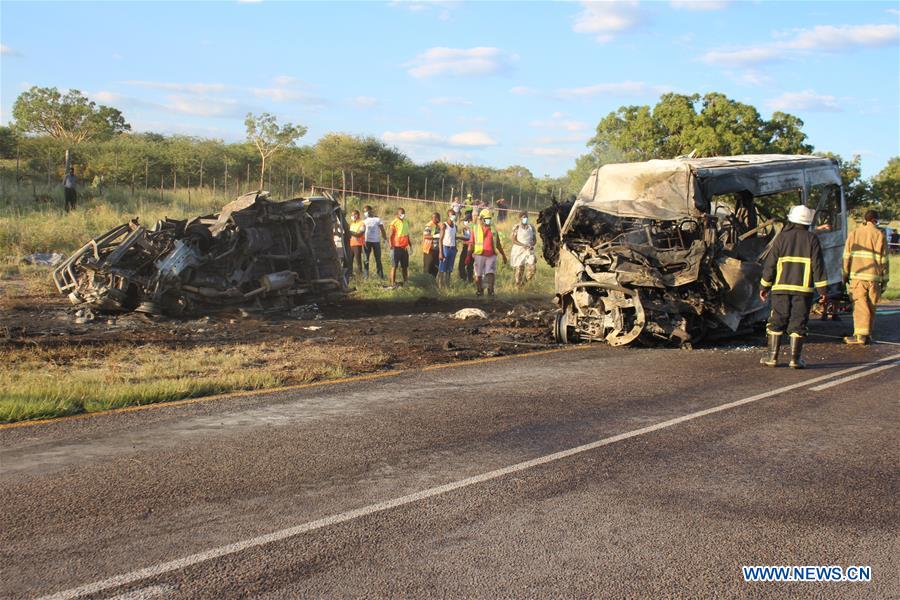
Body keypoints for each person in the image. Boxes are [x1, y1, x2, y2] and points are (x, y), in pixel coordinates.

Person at [758, 205, 828, 369]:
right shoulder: (812, 239)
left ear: (791, 219)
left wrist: (764, 286)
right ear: (807, 221)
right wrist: (823, 291)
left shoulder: (781, 238)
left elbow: (770, 265)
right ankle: (795, 360)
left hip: (780, 289)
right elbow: (818, 266)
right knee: (798, 322)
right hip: (803, 291)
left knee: (777, 321)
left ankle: (772, 358)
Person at [842, 210, 890, 345]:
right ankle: (867, 334)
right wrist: (885, 280)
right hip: (874, 278)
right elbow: (884, 260)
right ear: (875, 220)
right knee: (871, 306)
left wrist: (845, 275)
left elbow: (846, 257)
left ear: (865, 219)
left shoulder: (854, 234)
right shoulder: (880, 235)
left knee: (860, 305)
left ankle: (861, 335)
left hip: (857, 277)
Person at [472, 208, 508, 297]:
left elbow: (498, 243)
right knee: (479, 274)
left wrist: (503, 255)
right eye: (486, 219)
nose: (488, 221)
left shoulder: (493, 229)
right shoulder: (476, 229)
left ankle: (491, 290)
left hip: (491, 255)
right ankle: (479, 290)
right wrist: (469, 255)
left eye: (489, 219)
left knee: (490, 272)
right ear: (482, 219)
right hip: (479, 255)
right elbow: (471, 243)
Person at [510, 211, 537, 287]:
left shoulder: (531, 227)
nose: (525, 219)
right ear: (520, 218)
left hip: (529, 250)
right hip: (519, 250)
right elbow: (513, 240)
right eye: (523, 217)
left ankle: (524, 283)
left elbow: (534, 240)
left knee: (533, 268)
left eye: (526, 217)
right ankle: (517, 285)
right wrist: (522, 245)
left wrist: (531, 244)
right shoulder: (516, 227)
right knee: (520, 269)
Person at [362, 205, 387, 279]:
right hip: (366, 242)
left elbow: (382, 229)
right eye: (364, 211)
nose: (365, 213)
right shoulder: (364, 221)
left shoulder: (377, 219)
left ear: (371, 210)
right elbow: (361, 232)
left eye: (366, 211)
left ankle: (380, 275)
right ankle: (366, 276)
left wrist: (385, 239)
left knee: (378, 259)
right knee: (366, 259)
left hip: (376, 241)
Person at [389, 207, 411, 287]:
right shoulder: (394, 223)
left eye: (404, 213)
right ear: (397, 214)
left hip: (404, 248)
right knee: (394, 266)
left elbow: (407, 234)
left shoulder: (406, 221)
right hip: (396, 247)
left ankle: (405, 282)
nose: (403, 215)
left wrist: (410, 245)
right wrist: (391, 245)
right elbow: (390, 235)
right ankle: (393, 283)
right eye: (401, 213)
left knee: (405, 266)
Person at [437, 209, 458, 288]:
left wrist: (455, 248)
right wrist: (440, 252)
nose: (453, 216)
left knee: (449, 269)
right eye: (452, 215)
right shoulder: (444, 225)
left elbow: (454, 238)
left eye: (454, 215)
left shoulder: (455, 226)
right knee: (442, 269)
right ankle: (440, 285)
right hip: (445, 248)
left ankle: (447, 285)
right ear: (448, 215)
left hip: (452, 249)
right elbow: (440, 240)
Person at [422, 212, 441, 278]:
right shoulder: (429, 225)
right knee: (428, 268)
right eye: (438, 217)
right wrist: (435, 236)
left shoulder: (438, 226)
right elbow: (426, 236)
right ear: (434, 218)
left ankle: (432, 283)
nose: (439, 219)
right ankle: (426, 284)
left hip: (436, 250)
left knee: (435, 268)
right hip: (429, 250)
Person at [348, 209, 366, 276]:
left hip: (357, 244)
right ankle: (350, 274)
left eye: (355, 214)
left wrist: (350, 232)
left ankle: (360, 275)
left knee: (358, 260)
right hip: (350, 244)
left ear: (358, 215)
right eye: (352, 215)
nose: (353, 216)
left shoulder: (362, 224)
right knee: (350, 260)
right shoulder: (352, 224)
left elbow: (360, 234)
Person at [458, 210, 474, 283]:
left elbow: (470, 239)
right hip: (465, 247)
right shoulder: (465, 229)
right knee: (462, 265)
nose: (465, 223)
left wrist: (460, 238)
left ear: (470, 220)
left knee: (469, 266)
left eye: (467, 221)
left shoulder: (473, 228)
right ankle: (464, 279)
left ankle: (469, 280)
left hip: (471, 248)